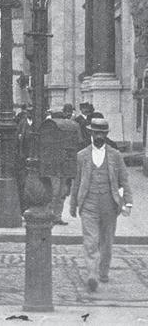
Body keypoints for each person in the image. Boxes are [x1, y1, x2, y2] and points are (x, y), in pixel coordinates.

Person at [70, 116, 133, 292]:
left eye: (102, 133)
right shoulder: (81, 156)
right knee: (91, 242)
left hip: (110, 205)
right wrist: (73, 204)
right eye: (96, 132)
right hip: (88, 204)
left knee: (106, 243)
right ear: (91, 133)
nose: (99, 136)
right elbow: (76, 181)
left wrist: (128, 203)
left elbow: (124, 180)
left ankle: (103, 271)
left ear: (106, 135)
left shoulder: (115, 155)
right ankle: (92, 275)